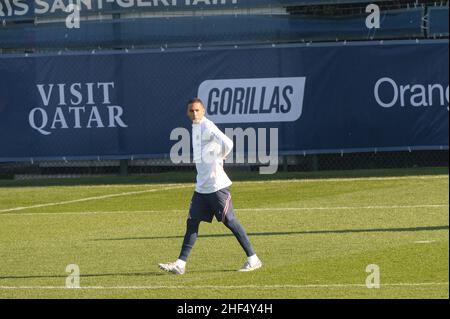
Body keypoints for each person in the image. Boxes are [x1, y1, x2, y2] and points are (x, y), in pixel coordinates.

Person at [158, 98, 262, 275]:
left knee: (230, 221)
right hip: (202, 187)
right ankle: (180, 264)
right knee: (192, 223)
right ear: (187, 113)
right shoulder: (195, 126)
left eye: (198, 110)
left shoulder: (207, 126)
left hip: (217, 186)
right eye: (191, 111)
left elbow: (228, 143)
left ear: (203, 111)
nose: (195, 114)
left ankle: (253, 259)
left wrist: (221, 156)